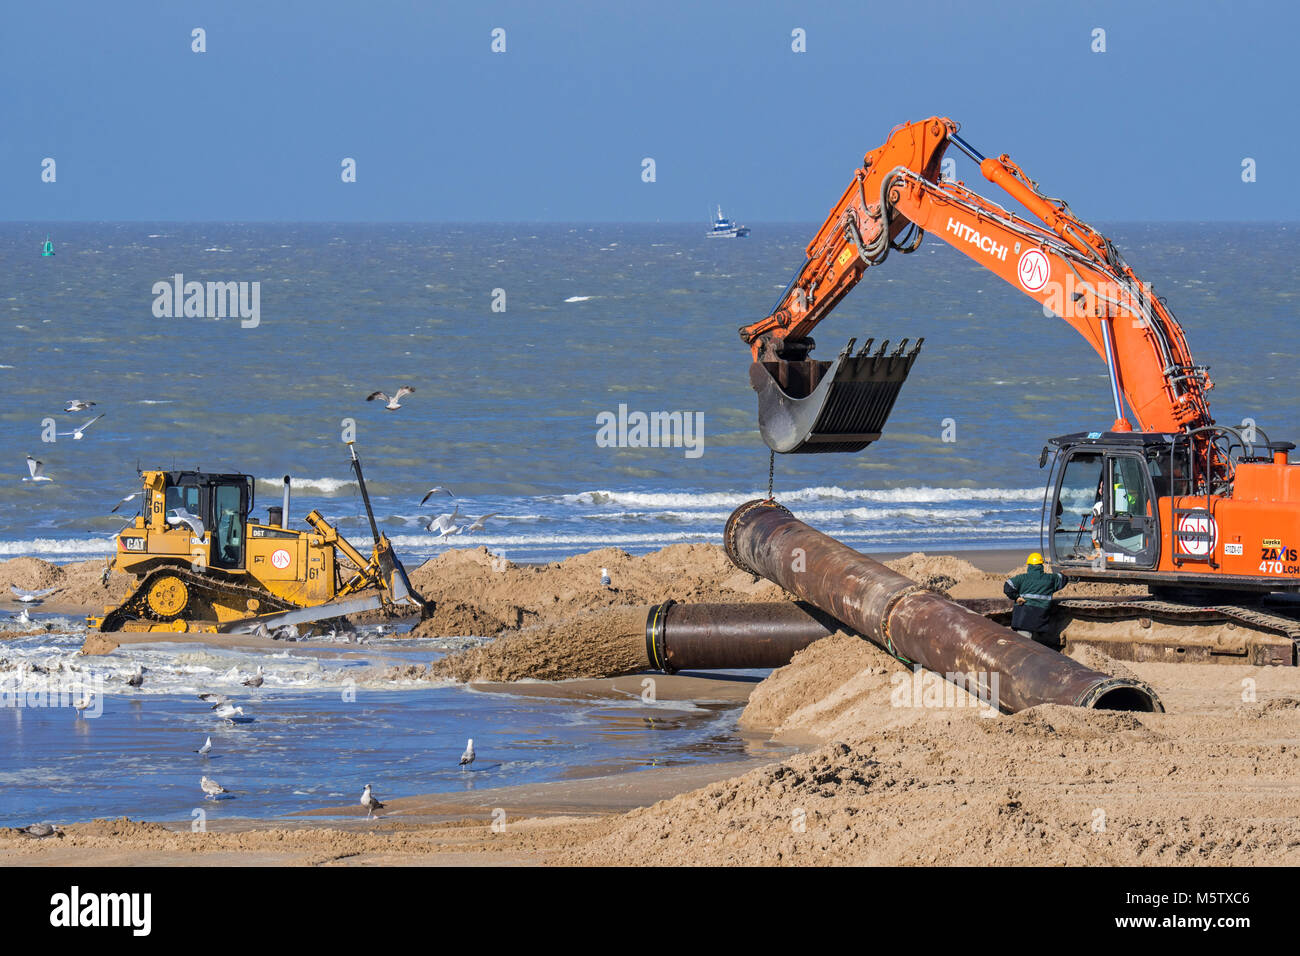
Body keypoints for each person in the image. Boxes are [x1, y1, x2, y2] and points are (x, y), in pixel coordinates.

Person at [1003, 552, 1068, 643]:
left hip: (1024, 620)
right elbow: (1063, 578)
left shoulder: (1022, 578)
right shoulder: (1050, 579)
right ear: (1041, 565)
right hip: (1041, 620)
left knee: (1024, 646)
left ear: (1029, 565)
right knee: (1038, 645)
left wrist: (1017, 597)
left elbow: (1007, 587)